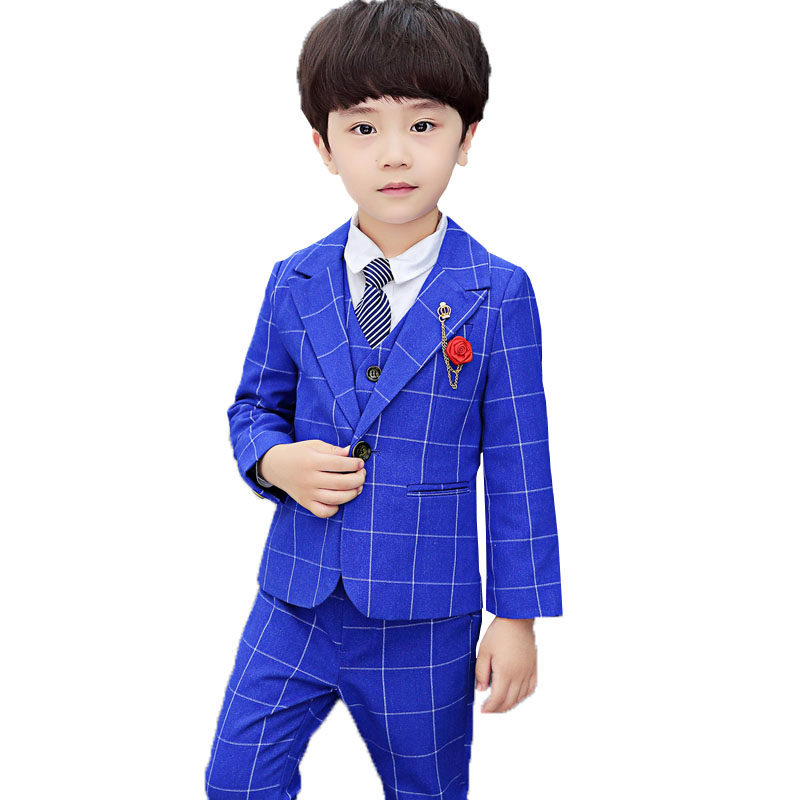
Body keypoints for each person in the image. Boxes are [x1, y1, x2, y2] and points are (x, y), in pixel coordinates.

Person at [205, 1, 563, 797]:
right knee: (237, 780)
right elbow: (253, 407)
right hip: (295, 598)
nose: (394, 153)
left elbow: (520, 468)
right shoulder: (294, 280)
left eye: (424, 125)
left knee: (427, 791)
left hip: (424, 617)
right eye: (363, 127)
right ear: (323, 145)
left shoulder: (498, 292)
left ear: (467, 138)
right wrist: (273, 462)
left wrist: (518, 617)